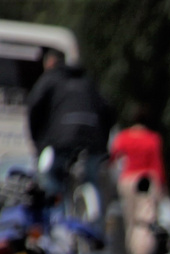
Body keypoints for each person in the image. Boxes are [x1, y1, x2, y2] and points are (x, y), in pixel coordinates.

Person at [25, 50, 113, 199]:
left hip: (62, 140)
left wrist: (38, 142)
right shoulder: (89, 81)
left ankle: (56, 216)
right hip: (93, 140)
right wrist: (103, 143)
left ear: (50, 63)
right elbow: (108, 110)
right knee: (92, 179)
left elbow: (34, 107)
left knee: (51, 176)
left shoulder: (50, 78)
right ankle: (95, 217)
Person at [110, 105, 166, 254]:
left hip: (127, 180)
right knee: (144, 222)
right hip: (146, 181)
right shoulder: (152, 138)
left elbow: (113, 157)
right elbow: (157, 164)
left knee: (131, 221)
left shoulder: (123, 137)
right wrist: (162, 188)